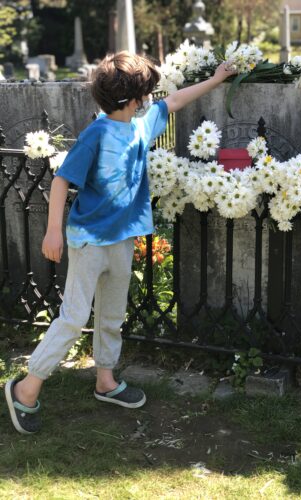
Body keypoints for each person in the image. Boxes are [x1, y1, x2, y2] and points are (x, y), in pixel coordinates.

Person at [5, 50, 235, 435]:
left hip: (122, 238)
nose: (149, 98)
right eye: (144, 93)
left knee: (112, 314)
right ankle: (26, 387)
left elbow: (175, 101)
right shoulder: (96, 133)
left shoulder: (141, 125)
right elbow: (63, 180)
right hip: (89, 241)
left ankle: (105, 381)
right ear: (132, 99)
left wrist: (216, 79)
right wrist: (53, 230)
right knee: (75, 317)